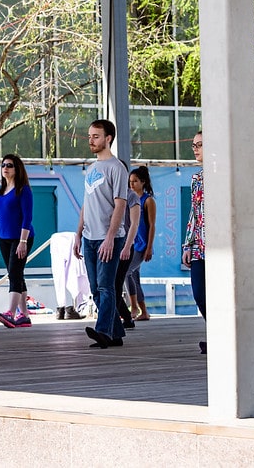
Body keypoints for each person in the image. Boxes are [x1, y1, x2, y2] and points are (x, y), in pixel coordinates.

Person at [73, 119, 129, 348]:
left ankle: (103, 330)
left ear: (108, 139)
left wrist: (109, 238)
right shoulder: (92, 169)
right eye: (90, 136)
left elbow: (120, 205)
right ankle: (115, 333)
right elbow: (87, 203)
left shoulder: (117, 168)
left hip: (110, 238)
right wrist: (78, 233)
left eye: (96, 136)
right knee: (95, 288)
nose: (91, 140)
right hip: (89, 237)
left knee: (106, 287)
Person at [0, 154, 35, 328]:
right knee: (17, 274)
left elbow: (27, 217)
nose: (5, 168)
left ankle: (11, 312)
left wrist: (23, 242)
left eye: (9, 165)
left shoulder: (23, 190)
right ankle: (24, 316)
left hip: (21, 238)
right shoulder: (2, 191)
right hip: (4, 239)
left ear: (17, 169)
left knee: (14, 274)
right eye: (3, 165)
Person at [182, 131, 207, 354]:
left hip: (220, 246)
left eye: (200, 144)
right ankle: (216, 330)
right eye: (194, 145)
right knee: (199, 292)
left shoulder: (224, 176)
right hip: (199, 245)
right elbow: (194, 212)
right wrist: (188, 244)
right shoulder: (196, 179)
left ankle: (221, 335)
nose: (196, 149)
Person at [126, 165, 156, 321]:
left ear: (143, 182)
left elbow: (151, 226)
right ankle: (144, 311)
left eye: (135, 181)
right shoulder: (129, 198)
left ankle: (134, 307)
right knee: (134, 276)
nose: (131, 184)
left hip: (141, 244)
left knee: (126, 272)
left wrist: (149, 247)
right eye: (130, 181)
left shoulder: (148, 201)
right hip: (130, 243)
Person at [113, 167, 141, 330]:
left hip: (125, 247)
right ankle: (124, 317)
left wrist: (128, 246)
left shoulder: (131, 196)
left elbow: (134, 224)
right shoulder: (112, 194)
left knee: (116, 284)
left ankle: (125, 317)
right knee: (111, 285)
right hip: (113, 244)